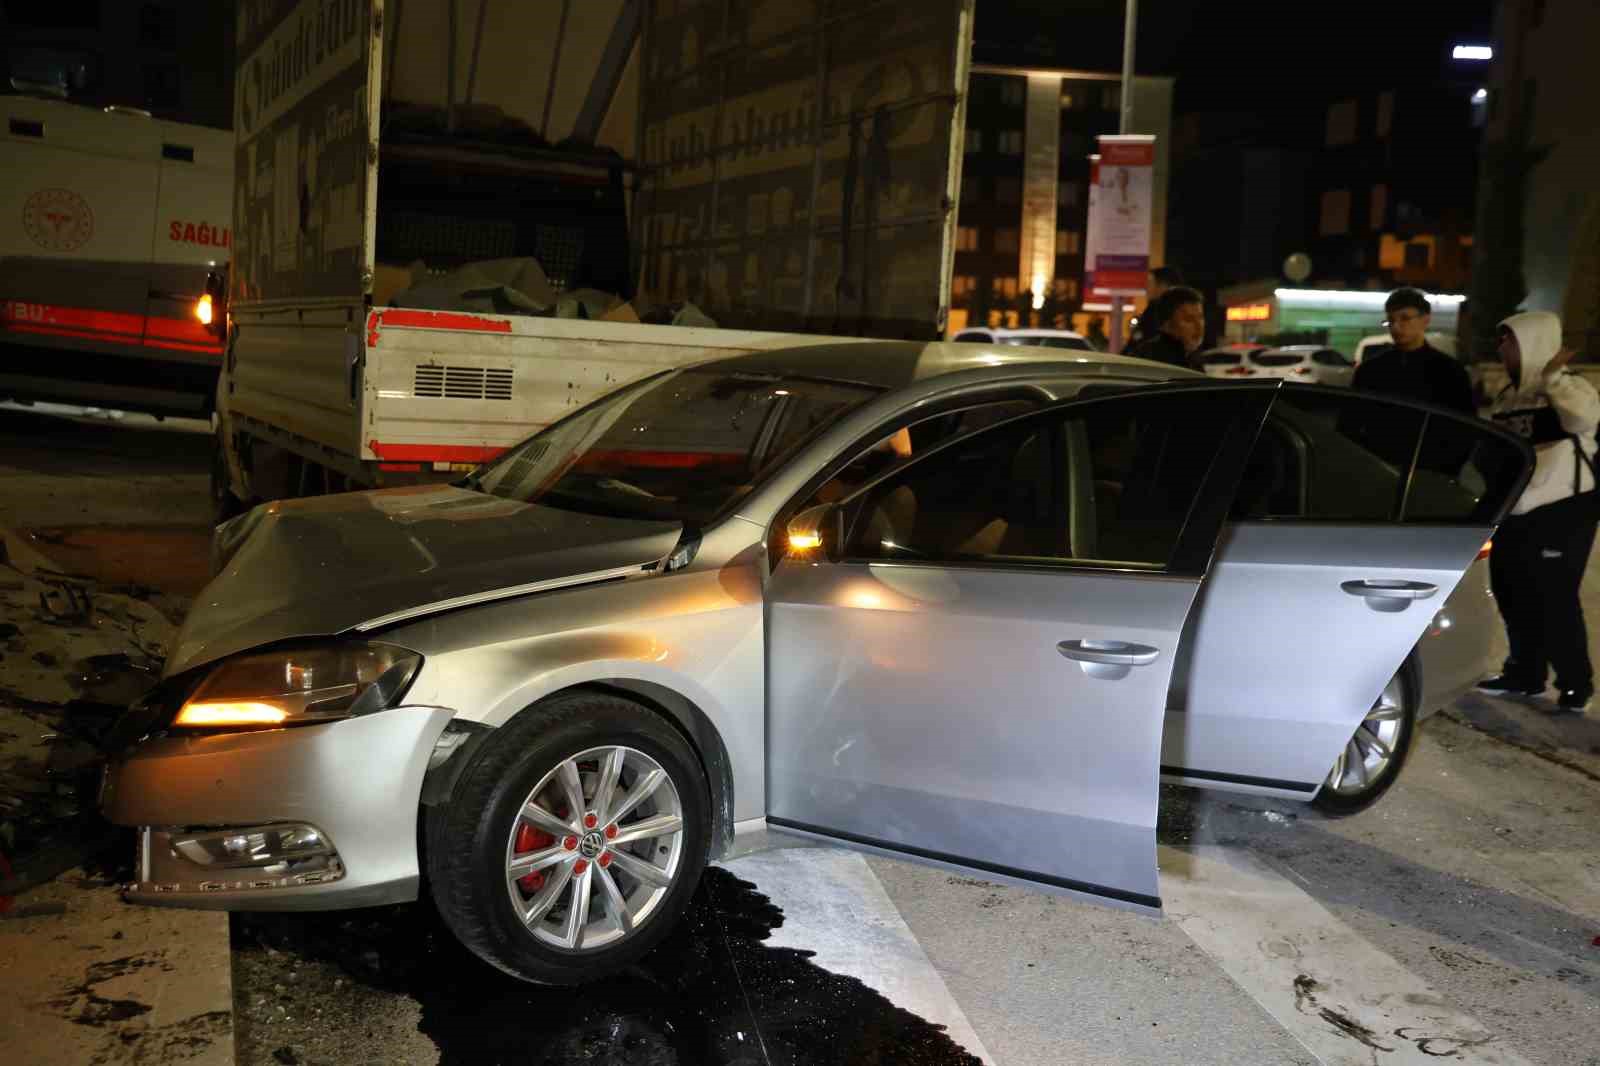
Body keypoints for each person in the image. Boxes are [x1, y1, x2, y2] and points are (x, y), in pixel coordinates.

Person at [1476, 311, 1600, 715]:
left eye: (1508, 339)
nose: (1501, 348)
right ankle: (1525, 673)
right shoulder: (1508, 395)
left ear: (1530, 341)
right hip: (1518, 509)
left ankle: (1574, 685)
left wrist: (1553, 379)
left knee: (1555, 597)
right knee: (1512, 590)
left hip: (1565, 509)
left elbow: (1583, 420)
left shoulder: (1571, 388)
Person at [1352, 288, 1475, 413]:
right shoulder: (1370, 371)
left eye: (1405, 318)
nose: (1395, 326)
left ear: (1426, 320)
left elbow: (1466, 423)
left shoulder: (1450, 373)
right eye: (1390, 320)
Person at [1128, 286, 1205, 370]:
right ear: (1166, 325)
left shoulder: (1192, 357)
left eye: (1200, 317)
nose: (1199, 326)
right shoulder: (1154, 360)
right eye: (1188, 319)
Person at [1124, 265, 1185, 350]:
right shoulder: (1184, 308)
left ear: (1163, 286)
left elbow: (1136, 345)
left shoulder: (1155, 309)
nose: (1146, 288)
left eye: (1149, 283)